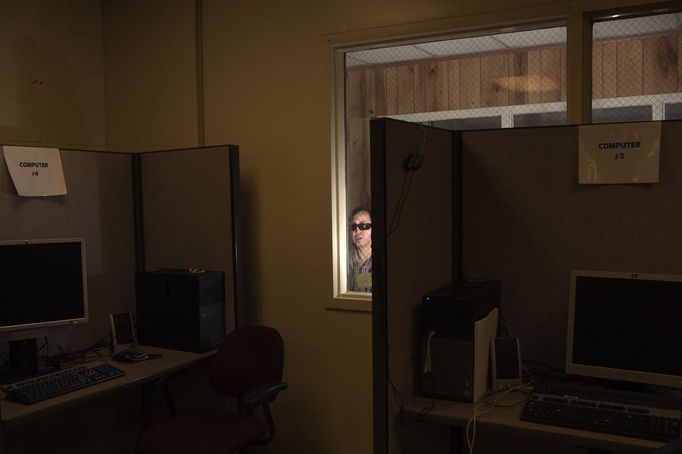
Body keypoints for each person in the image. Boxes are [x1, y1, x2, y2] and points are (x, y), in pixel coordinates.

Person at [349, 207, 372, 292]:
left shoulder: (383, 260)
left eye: (364, 225)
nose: (357, 230)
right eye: (353, 226)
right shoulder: (343, 259)